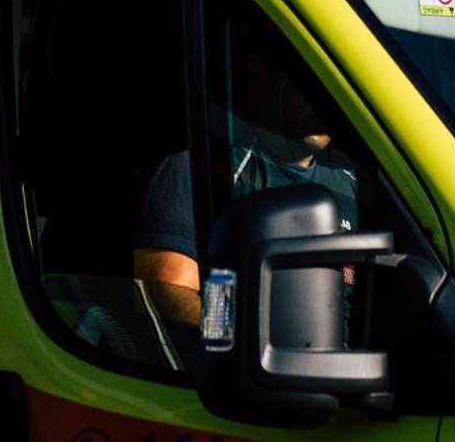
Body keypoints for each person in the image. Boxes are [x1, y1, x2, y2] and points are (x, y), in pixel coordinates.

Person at [130, 47, 358, 326]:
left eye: (335, 80)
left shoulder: (351, 178)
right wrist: (253, 340)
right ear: (258, 75)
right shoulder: (208, 164)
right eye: (310, 78)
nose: (325, 96)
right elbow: (165, 294)